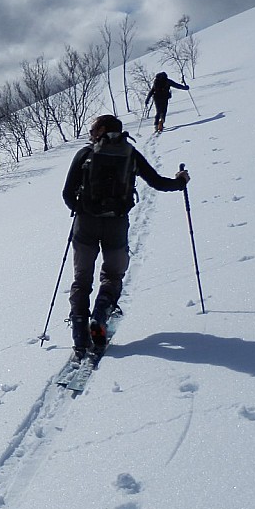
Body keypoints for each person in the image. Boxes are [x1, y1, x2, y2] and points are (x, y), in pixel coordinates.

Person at [61, 114, 190, 360]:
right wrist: (180, 182)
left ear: (100, 129)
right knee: (112, 275)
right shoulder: (129, 153)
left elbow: (67, 193)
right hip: (116, 225)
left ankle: (79, 339)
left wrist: (80, 209)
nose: (90, 132)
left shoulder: (85, 155)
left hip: (85, 226)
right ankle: (99, 317)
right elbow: (158, 183)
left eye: (93, 128)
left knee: (81, 279)